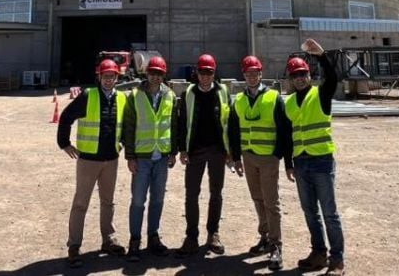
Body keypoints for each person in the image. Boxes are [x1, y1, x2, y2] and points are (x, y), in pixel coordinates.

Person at [56, 58, 129, 268]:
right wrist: (64, 143)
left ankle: (108, 240)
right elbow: (66, 117)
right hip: (88, 160)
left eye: (112, 76)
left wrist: (121, 143)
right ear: (100, 77)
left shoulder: (122, 98)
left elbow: (124, 126)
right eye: (105, 76)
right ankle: (74, 246)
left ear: (117, 77)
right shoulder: (88, 96)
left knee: (108, 202)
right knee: (81, 203)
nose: (108, 80)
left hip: (110, 161)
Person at [227, 55, 292, 271]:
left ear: (260, 74)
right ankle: (264, 237)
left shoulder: (273, 97)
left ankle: (276, 245)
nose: (252, 76)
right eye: (248, 73)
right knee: (257, 199)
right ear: (244, 75)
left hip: (268, 158)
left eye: (255, 73)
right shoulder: (240, 100)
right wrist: (236, 157)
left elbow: (284, 130)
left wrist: (282, 157)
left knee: (271, 202)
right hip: (248, 156)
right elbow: (234, 130)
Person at [286, 38, 345, 275]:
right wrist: (289, 163)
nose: (299, 78)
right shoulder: (289, 103)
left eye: (303, 74)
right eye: (295, 75)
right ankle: (318, 253)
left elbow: (332, 78)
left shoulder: (320, 95)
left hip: (321, 161)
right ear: (290, 79)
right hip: (301, 162)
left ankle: (337, 259)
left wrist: (321, 55)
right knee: (310, 212)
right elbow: (288, 136)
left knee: (329, 212)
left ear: (309, 75)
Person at [174, 53, 231, 256]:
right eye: (202, 72)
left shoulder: (223, 91)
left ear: (214, 73)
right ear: (196, 73)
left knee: (216, 193)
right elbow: (182, 124)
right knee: (191, 194)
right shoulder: (189, 93)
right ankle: (191, 237)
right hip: (195, 151)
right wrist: (182, 149)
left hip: (217, 151)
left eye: (209, 72)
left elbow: (229, 122)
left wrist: (230, 151)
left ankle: (213, 234)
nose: (205, 76)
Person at [120, 55, 177, 261]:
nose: (156, 77)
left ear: (163, 75)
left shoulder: (170, 96)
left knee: (158, 199)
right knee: (137, 200)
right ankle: (134, 240)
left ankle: (153, 237)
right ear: (147, 74)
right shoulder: (134, 95)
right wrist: (130, 156)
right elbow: (129, 127)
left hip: (161, 157)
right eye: (153, 73)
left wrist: (173, 152)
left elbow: (174, 126)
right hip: (142, 158)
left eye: (159, 74)